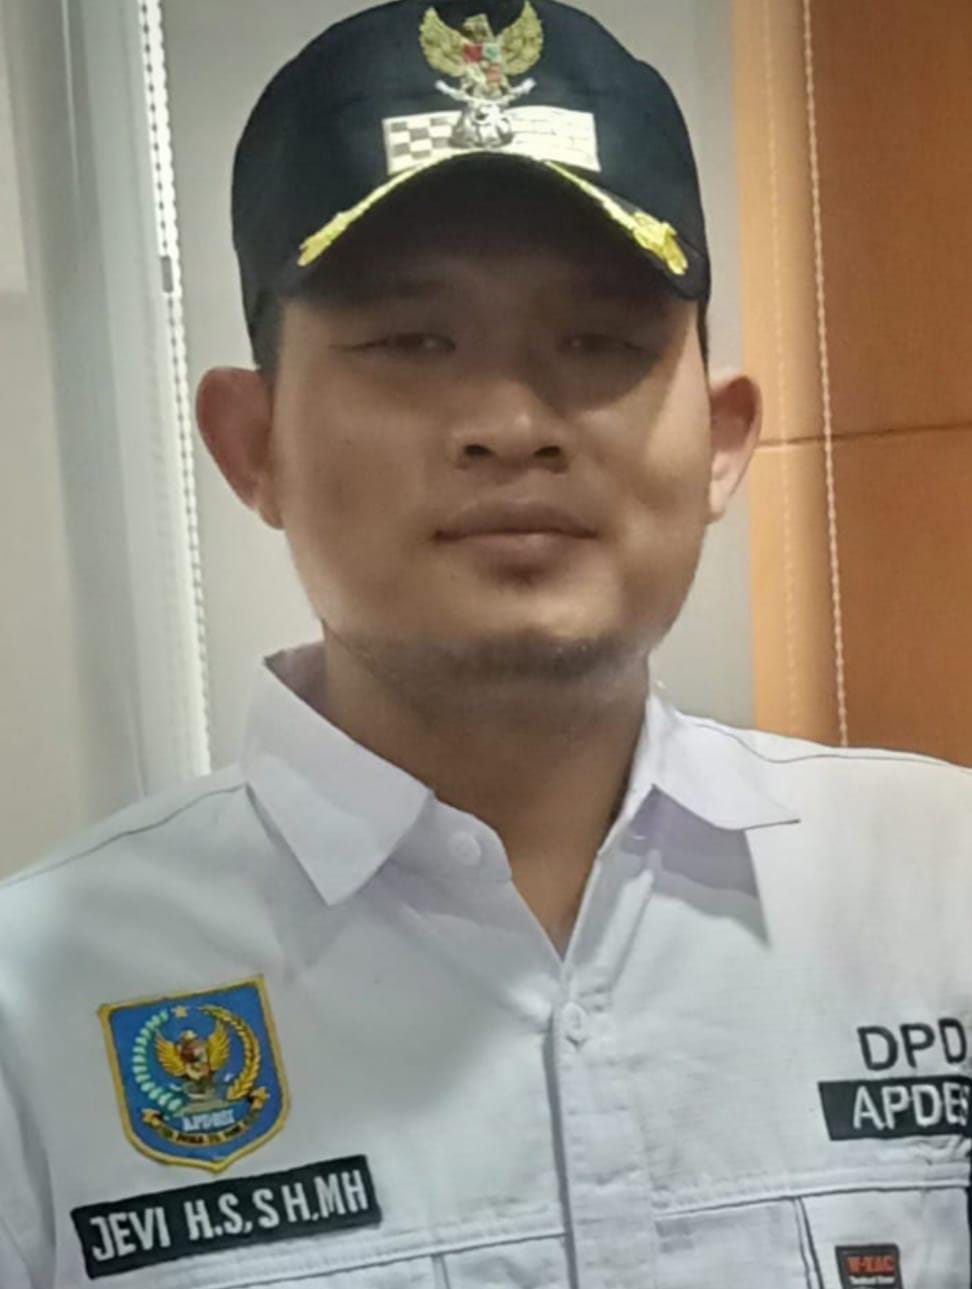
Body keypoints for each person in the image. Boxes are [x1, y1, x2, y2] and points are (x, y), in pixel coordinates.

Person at [1, 1, 970, 1284]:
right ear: (253, 444)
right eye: (413, 341)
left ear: (723, 441)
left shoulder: (938, 893)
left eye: (600, 342)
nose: (513, 424)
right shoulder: (36, 1010)